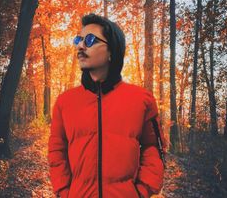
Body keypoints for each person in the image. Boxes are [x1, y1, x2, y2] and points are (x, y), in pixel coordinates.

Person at [48, 13, 166, 198]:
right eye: (79, 39)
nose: (80, 46)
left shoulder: (142, 99)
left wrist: (142, 191)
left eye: (90, 40)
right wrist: (64, 191)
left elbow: (153, 148)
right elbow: (56, 150)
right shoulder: (65, 102)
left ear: (112, 51)